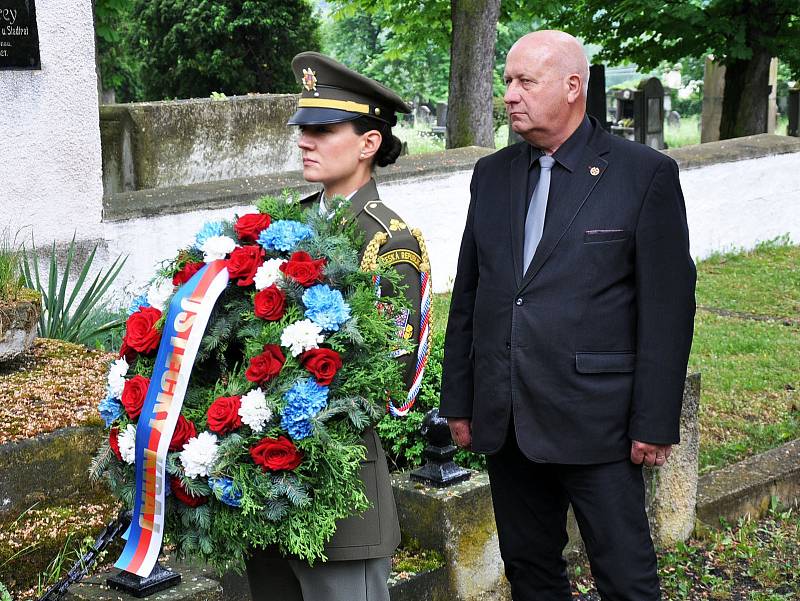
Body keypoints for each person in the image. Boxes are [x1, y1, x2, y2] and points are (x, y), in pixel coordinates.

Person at [439, 30, 696, 601]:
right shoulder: (493, 174)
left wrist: (654, 421)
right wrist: (459, 401)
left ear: (573, 87)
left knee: (626, 577)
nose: (509, 94)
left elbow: (667, 309)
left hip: (597, 420)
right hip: (506, 419)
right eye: (506, 80)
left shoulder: (643, 174)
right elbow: (471, 295)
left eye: (525, 81)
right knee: (530, 571)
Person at [246, 52, 426, 601]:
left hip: (337, 486)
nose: (305, 140)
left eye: (323, 129)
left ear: (368, 143)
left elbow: (389, 375)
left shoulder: (386, 240)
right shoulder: (287, 224)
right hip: (262, 473)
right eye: (303, 128)